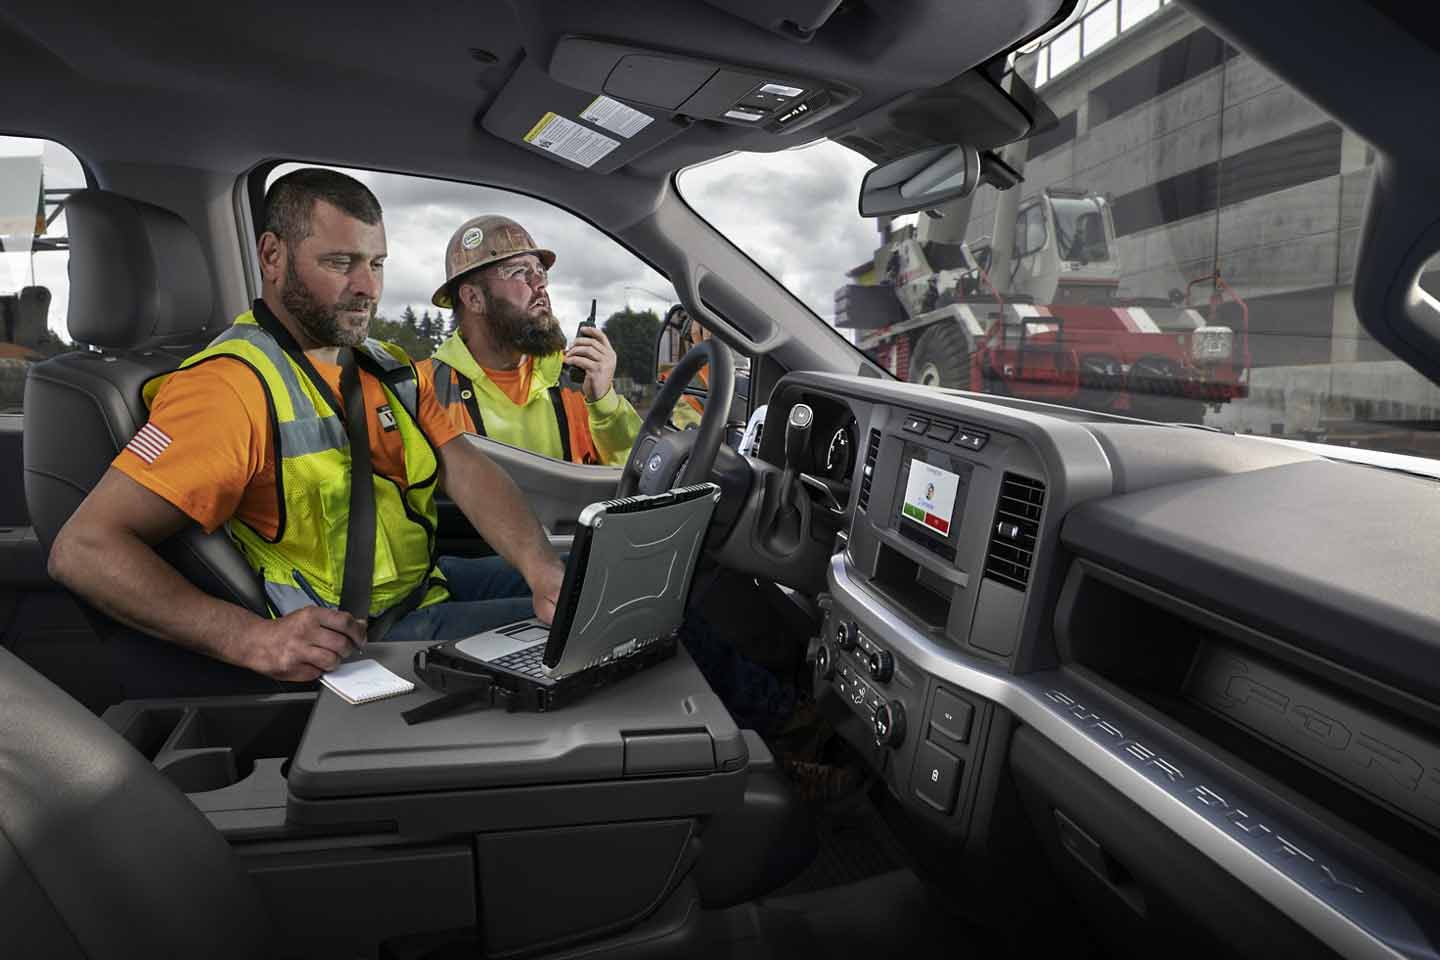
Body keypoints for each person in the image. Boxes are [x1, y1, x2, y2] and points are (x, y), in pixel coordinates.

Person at [47, 169, 564, 684]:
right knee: (582, 633)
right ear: (272, 257)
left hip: (423, 586)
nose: (367, 288)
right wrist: (246, 637)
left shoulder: (386, 367)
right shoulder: (228, 388)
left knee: (588, 587)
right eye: (341, 263)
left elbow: (465, 468)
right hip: (369, 643)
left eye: (376, 264)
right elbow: (84, 549)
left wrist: (539, 565)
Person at [419, 216, 641, 466]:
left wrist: (604, 403)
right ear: (473, 298)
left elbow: (635, 477)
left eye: (540, 271)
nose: (540, 284)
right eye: (519, 272)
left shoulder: (580, 380)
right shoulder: (424, 390)